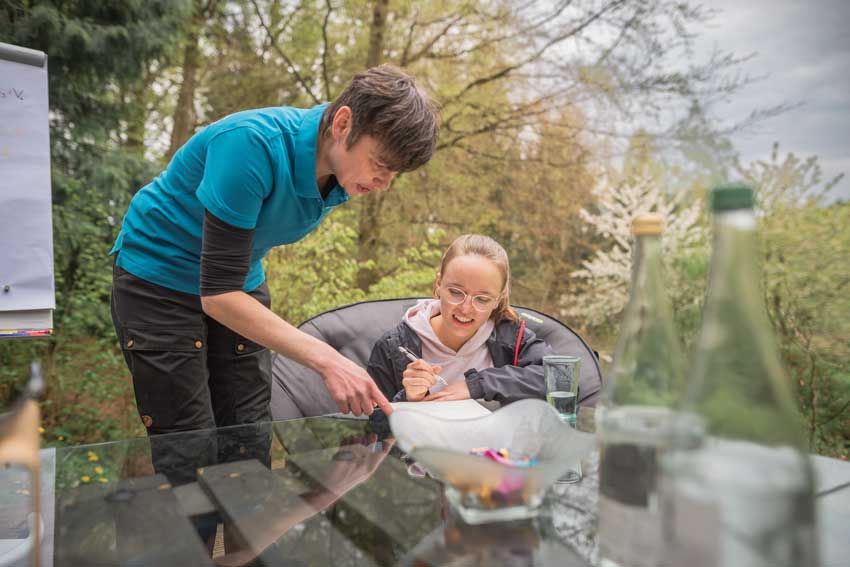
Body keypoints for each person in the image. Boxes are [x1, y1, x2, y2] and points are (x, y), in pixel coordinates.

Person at [110, 65, 439, 437]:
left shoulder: (343, 172)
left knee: (249, 431)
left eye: (394, 174)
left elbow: (230, 272)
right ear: (343, 123)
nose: (384, 185)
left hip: (238, 281)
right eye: (381, 166)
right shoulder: (251, 145)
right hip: (159, 281)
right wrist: (330, 360)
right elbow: (218, 295)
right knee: (190, 443)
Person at [366, 234, 551, 404]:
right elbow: (371, 428)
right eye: (455, 292)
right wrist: (409, 398)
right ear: (438, 284)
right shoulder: (391, 347)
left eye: (482, 299)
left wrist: (478, 385)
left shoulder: (512, 338)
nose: (465, 308)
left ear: (499, 299)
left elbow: (559, 379)